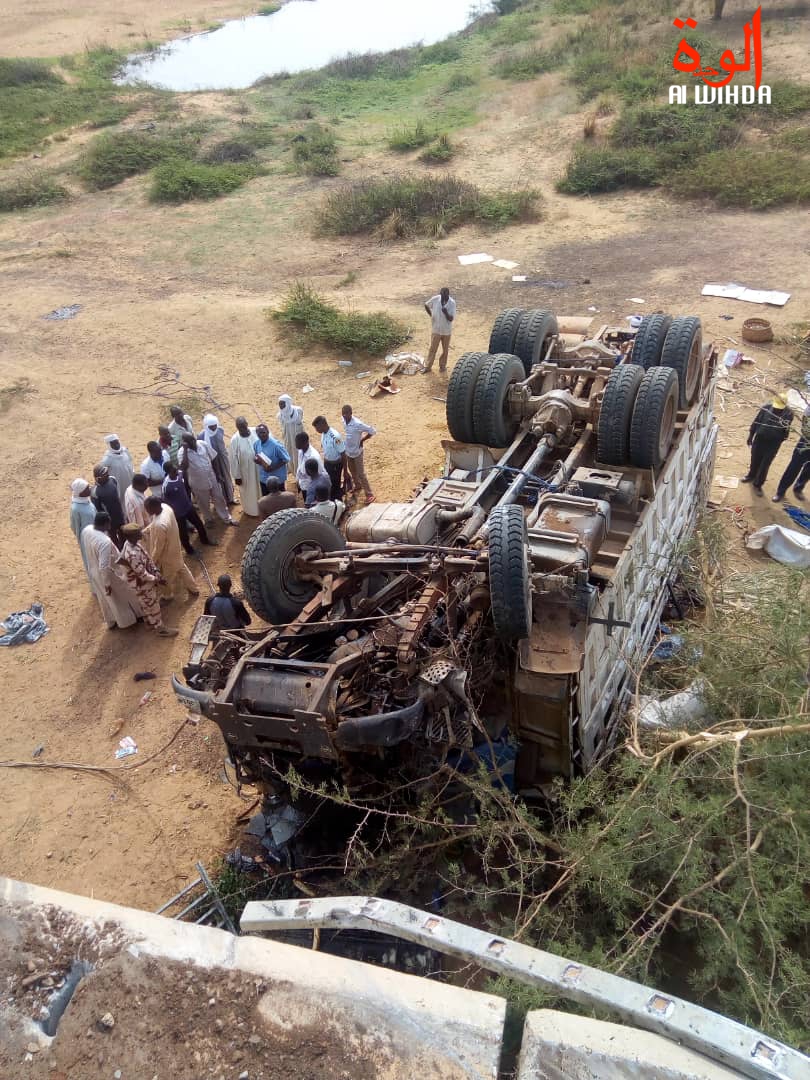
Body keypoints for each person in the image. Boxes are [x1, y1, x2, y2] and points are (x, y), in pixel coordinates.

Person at [81, 512, 141, 630]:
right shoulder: (104, 542)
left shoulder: (87, 530)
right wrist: (107, 584)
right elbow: (104, 566)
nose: (110, 525)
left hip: (93, 570)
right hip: (107, 574)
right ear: (105, 524)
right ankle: (130, 619)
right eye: (109, 523)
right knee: (124, 593)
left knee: (106, 599)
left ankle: (112, 621)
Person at [117, 523, 178, 637]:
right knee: (152, 604)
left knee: (145, 603)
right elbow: (142, 574)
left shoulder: (133, 544)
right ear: (131, 536)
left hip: (144, 581)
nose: (141, 533)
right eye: (138, 533)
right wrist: (157, 579)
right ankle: (161, 629)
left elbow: (147, 558)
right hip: (141, 584)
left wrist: (155, 571)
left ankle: (149, 622)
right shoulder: (132, 554)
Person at [143, 496, 200, 601]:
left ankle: (168, 595)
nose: (146, 511)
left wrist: (152, 561)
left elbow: (158, 547)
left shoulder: (159, 525)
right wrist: (146, 530)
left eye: (147, 508)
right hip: (175, 546)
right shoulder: (165, 507)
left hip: (166, 555)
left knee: (165, 577)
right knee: (181, 568)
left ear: (154, 507)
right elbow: (154, 523)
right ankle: (194, 588)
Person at [179, 433, 237, 526]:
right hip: (198, 482)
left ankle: (227, 518)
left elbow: (214, 458)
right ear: (185, 443)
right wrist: (185, 450)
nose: (193, 442)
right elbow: (184, 466)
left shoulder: (202, 444)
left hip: (211, 477)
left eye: (193, 439)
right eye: (190, 441)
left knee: (219, 498)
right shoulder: (182, 452)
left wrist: (218, 474)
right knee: (203, 502)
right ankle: (208, 519)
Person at [742, 394, 794, 495]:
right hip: (760, 439)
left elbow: (786, 430)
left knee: (765, 464)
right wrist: (751, 435)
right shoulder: (765, 408)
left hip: (773, 443)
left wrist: (779, 440)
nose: (777, 410)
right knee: (755, 458)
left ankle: (758, 484)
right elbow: (756, 422)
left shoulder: (789, 414)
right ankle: (751, 475)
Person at [162, 462, 215, 553]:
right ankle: (189, 551)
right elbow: (164, 500)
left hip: (188, 507)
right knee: (183, 533)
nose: (175, 471)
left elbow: (186, 484)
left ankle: (205, 540)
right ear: (168, 472)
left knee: (199, 524)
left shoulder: (180, 474)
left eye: (175, 468)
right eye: (173, 470)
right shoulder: (166, 485)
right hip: (178, 513)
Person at [773, 405, 810, 503]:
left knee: (809, 469)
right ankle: (780, 492)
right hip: (806, 441)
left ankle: (798, 488)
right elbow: (806, 417)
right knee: (794, 467)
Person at [341, 404, 376, 504]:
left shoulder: (358, 424)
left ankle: (369, 494)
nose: (344, 416)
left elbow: (372, 431)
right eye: (343, 414)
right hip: (348, 452)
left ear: (351, 414)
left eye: (346, 414)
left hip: (357, 452)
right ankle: (357, 485)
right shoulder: (343, 421)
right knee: (352, 471)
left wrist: (362, 440)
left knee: (361, 473)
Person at [199, 413, 235, 506]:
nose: (214, 428)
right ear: (207, 426)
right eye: (211, 427)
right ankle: (222, 502)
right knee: (217, 481)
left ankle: (231, 498)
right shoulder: (202, 436)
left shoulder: (220, 430)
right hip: (213, 461)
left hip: (223, 459)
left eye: (215, 426)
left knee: (227, 478)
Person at [229, 416, 261, 517]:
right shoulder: (235, 440)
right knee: (248, 491)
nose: (242, 429)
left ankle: (262, 508)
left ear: (247, 424)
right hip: (245, 472)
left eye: (244, 426)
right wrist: (237, 476)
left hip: (259, 468)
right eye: (240, 427)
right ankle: (251, 510)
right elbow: (233, 460)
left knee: (260, 488)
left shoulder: (255, 431)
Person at [312, 415, 347, 499]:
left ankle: (338, 503)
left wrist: (345, 471)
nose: (316, 430)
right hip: (327, 463)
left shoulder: (335, 437)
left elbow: (343, 453)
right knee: (328, 483)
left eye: (317, 428)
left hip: (336, 466)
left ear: (323, 425)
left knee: (335, 485)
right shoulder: (323, 433)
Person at [423, 286, 456, 373]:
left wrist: (446, 313)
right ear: (440, 293)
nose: (443, 296)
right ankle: (428, 367)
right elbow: (426, 305)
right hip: (436, 330)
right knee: (432, 349)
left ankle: (442, 366)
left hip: (446, 331)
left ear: (448, 294)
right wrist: (431, 315)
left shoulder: (452, 303)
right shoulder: (435, 299)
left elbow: (451, 318)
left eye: (445, 295)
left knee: (445, 350)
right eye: (442, 294)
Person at [69, 478, 96, 583]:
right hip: (87, 539)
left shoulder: (87, 500)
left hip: (97, 534)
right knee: (91, 563)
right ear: (80, 492)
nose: (89, 489)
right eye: (86, 488)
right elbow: (74, 526)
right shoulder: (75, 509)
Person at [91, 464, 125, 547]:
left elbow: (117, 493)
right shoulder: (95, 492)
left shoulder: (112, 479)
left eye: (107, 473)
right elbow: (98, 509)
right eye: (105, 475)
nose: (108, 475)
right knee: (113, 537)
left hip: (119, 514)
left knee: (123, 533)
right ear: (98, 478)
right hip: (109, 519)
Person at [254, 423, 290, 496]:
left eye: (263, 432)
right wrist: (257, 461)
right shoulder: (256, 444)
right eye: (259, 433)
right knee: (267, 500)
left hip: (276, 481)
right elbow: (256, 455)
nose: (261, 435)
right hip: (264, 479)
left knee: (280, 502)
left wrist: (273, 468)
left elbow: (286, 459)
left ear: (268, 432)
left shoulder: (276, 446)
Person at [100, 434, 133, 511]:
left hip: (128, 480)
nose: (116, 445)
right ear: (109, 445)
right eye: (113, 443)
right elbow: (103, 473)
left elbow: (130, 464)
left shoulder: (125, 451)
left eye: (117, 442)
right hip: (118, 483)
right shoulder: (107, 459)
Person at [295, 432, 327, 501]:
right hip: (304, 484)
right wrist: (298, 479)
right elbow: (299, 465)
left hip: (312, 487)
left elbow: (319, 473)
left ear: (305, 443)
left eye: (297, 442)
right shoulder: (300, 451)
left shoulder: (314, 457)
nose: (295, 444)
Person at [278, 395, 305, 462]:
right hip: (287, 437)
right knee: (288, 451)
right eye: (279, 404)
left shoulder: (298, 411)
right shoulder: (280, 415)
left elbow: (299, 421)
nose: (280, 406)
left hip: (297, 437)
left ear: (287, 403)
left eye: (282, 404)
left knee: (298, 452)